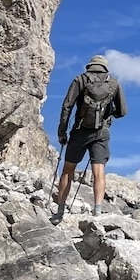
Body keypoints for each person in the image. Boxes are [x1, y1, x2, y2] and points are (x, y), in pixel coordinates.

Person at [52, 54, 127, 223]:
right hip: (101, 133)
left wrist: (62, 132)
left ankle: (60, 211)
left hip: (80, 131)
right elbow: (122, 111)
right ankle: (97, 211)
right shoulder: (113, 83)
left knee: (68, 169)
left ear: (90, 66)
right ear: (105, 67)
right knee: (98, 172)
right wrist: (108, 116)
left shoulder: (80, 80)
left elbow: (67, 106)